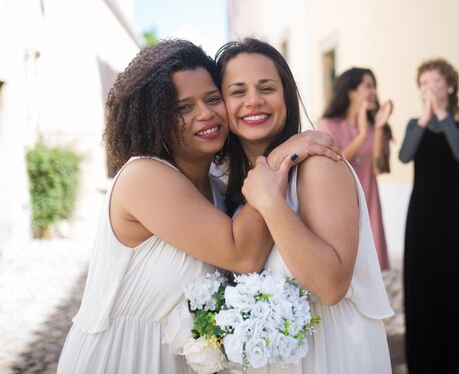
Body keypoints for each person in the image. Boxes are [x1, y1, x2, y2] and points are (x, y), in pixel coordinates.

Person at [56, 39, 342, 374]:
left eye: (212, 99)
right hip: (122, 357)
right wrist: (279, 156)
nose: (205, 114)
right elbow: (243, 254)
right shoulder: (143, 177)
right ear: (154, 118)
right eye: (183, 107)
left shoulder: (220, 191)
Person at [215, 37, 394, 374]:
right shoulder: (225, 184)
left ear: (286, 96)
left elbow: (331, 285)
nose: (253, 101)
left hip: (332, 355)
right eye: (237, 91)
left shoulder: (318, 165)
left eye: (266, 88)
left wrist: (270, 202)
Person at [399, 59, 459, 374]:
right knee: (421, 282)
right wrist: (426, 117)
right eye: (424, 83)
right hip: (422, 215)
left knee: (455, 280)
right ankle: (422, 358)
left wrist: (441, 115)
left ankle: (456, 357)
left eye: (436, 82)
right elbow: (404, 155)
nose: (429, 88)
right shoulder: (414, 124)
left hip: (455, 214)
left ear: (450, 86)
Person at [318, 68, 393, 271]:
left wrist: (377, 128)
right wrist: (360, 136)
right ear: (351, 92)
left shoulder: (377, 125)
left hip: (369, 204)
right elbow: (333, 161)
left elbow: (379, 169)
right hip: (340, 206)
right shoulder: (328, 125)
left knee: (370, 271)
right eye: (368, 86)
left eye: (375, 86)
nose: (374, 91)